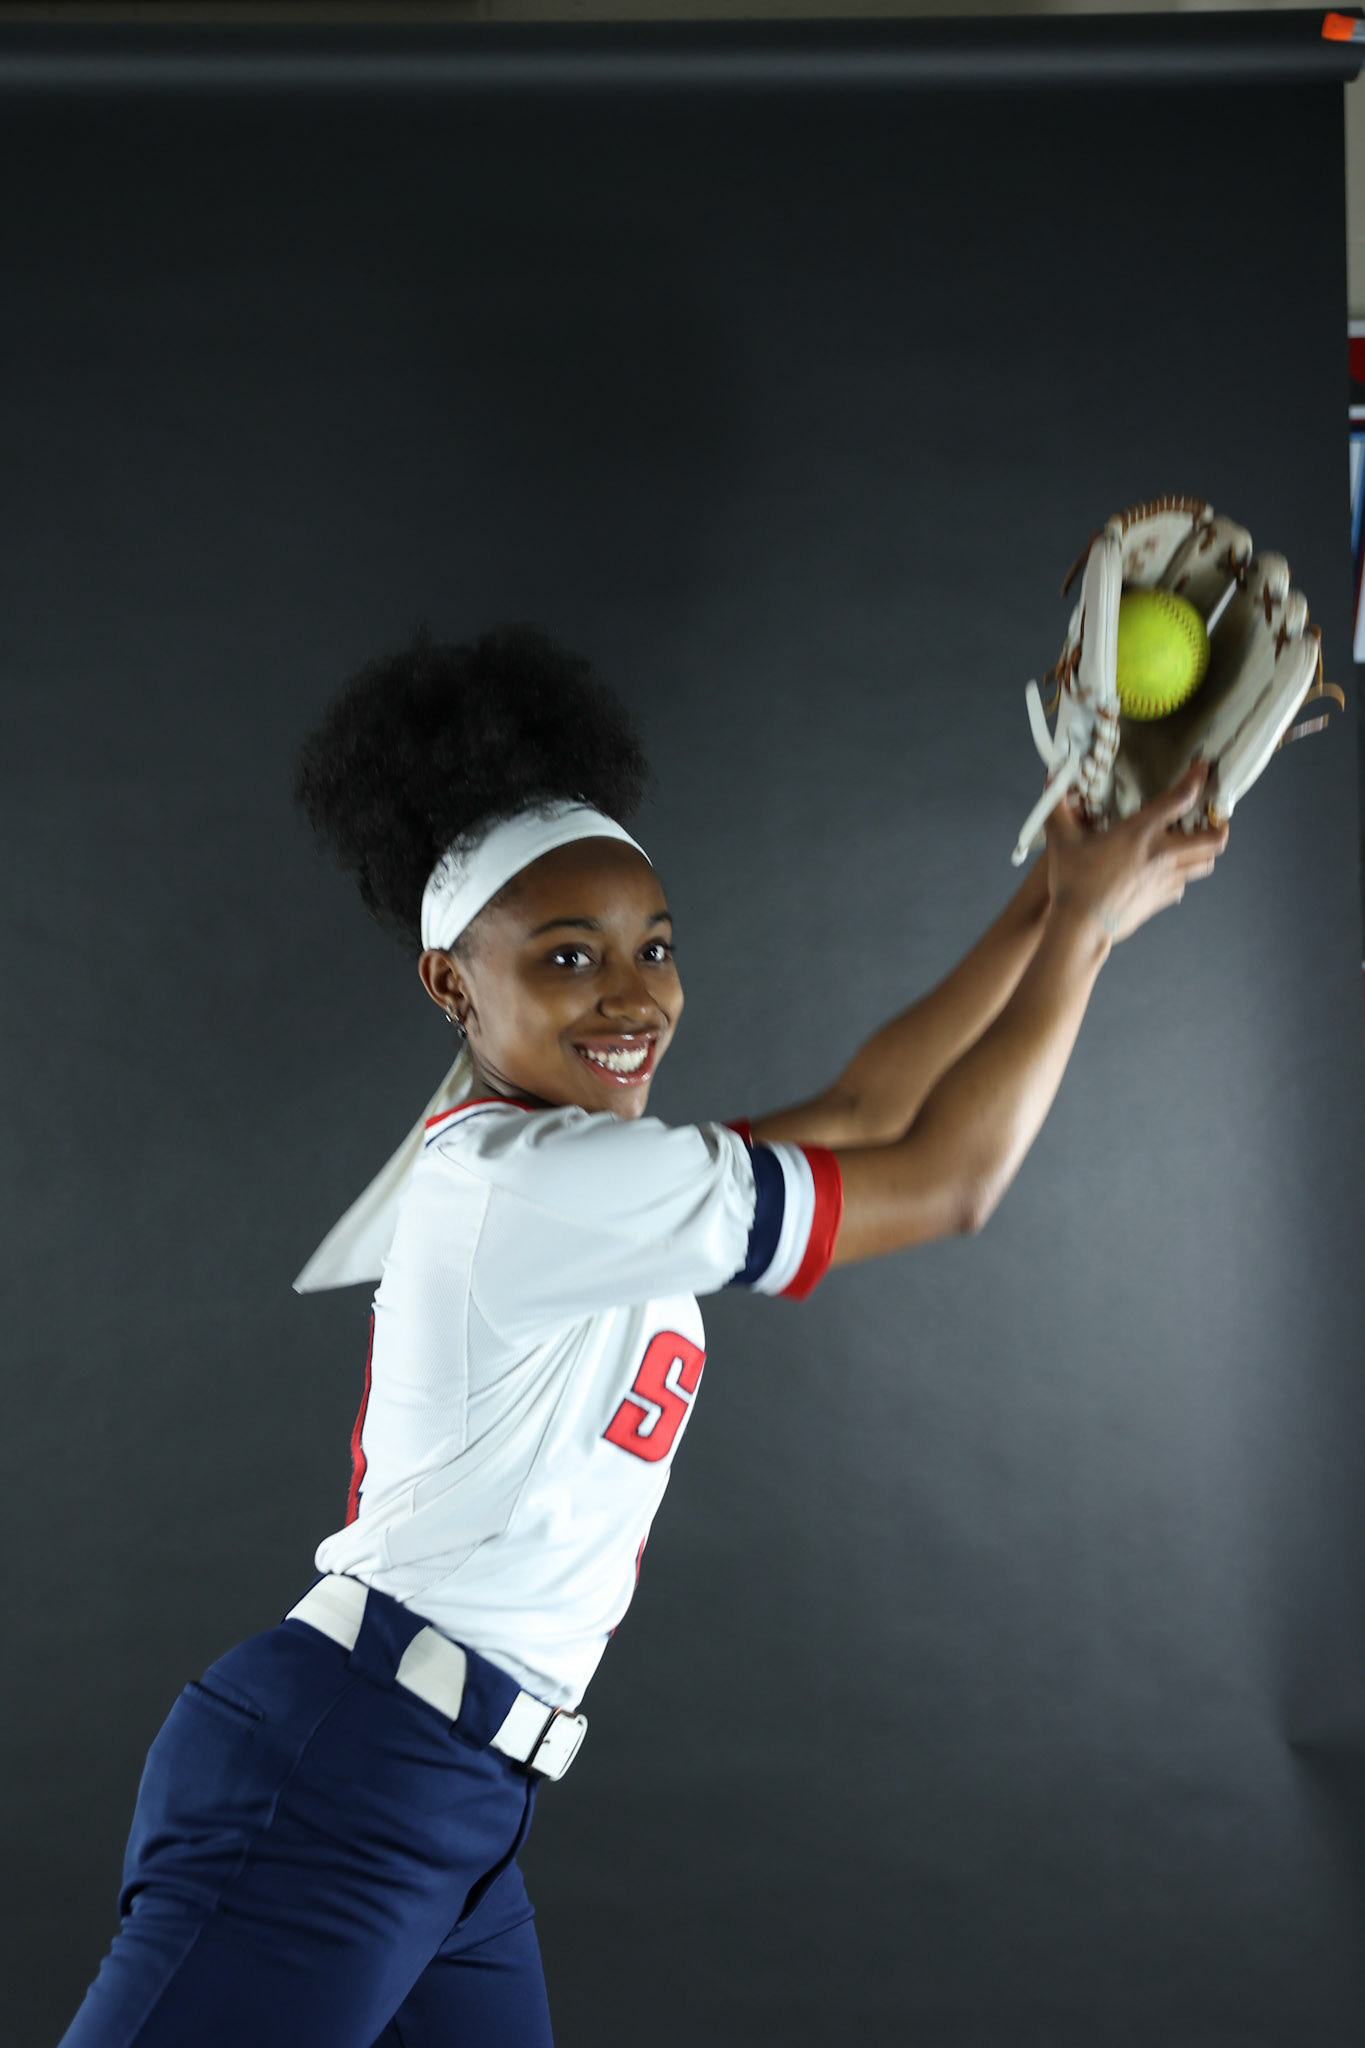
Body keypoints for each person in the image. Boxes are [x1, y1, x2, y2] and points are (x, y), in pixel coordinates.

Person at [59, 622, 1227, 2048]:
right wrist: (1093, 931)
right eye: (567, 956)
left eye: (652, 946)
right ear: (450, 985)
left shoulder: (581, 1171)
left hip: (459, 1795)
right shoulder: (523, 1186)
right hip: (342, 1776)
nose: (631, 996)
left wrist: (1056, 890)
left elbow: (866, 1113)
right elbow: (951, 1184)